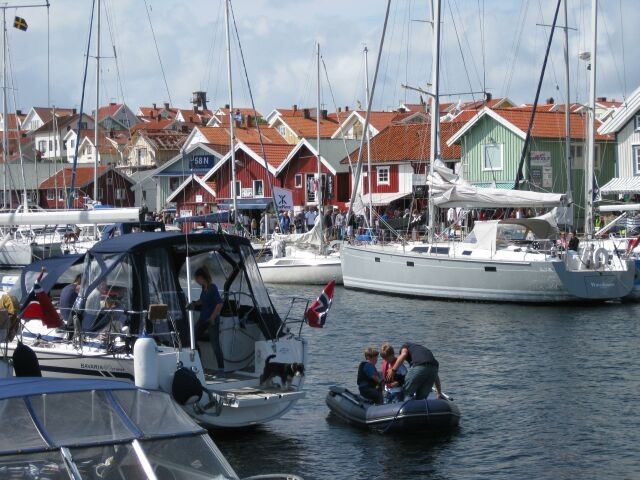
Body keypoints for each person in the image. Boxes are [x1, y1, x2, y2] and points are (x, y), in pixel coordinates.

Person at [188, 267, 225, 376]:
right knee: (192, 339)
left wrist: (212, 317)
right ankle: (200, 365)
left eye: (197, 279)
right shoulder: (204, 288)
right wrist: (194, 304)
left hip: (211, 320)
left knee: (215, 346)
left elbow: (219, 304)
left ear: (201, 277)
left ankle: (221, 370)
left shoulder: (212, 288)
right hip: (203, 319)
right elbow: (203, 300)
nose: (196, 281)